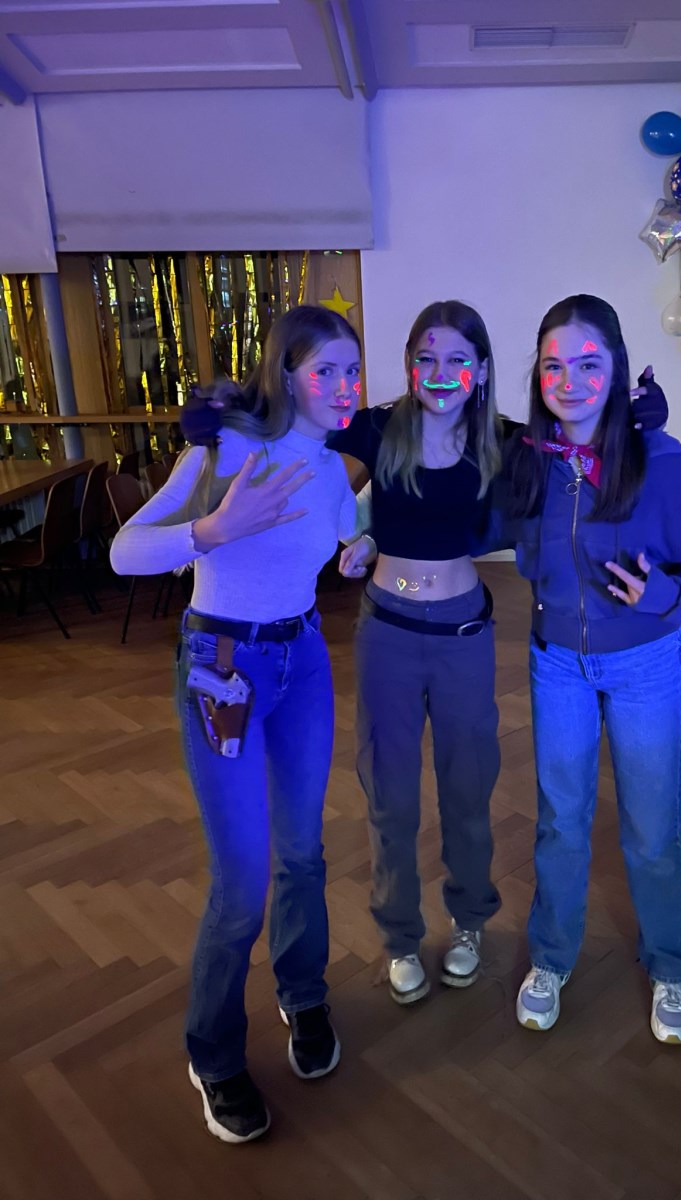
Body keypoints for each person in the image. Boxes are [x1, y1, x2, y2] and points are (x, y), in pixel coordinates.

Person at [334, 300, 668, 1007]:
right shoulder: (381, 429)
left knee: (466, 791)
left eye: (457, 358)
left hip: (462, 635)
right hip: (387, 632)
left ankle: (469, 922)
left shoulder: (509, 443)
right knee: (389, 796)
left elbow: (586, 438)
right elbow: (302, 430)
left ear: (482, 368)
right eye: (426, 358)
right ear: (409, 365)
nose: (440, 372)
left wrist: (639, 419)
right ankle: (400, 938)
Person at [110, 305, 367, 1144]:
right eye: (326, 370)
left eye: (352, 371)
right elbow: (123, 552)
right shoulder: (222, 451)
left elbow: (346, 531)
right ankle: (214, 1054)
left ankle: (304, 996)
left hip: (303, 661)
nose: (344, 386)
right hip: (222, 667)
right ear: (285, 374)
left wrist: (361, 547)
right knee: (242, 881)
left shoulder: (329, 468)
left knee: (304, 853)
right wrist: (213, 529)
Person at [499, 294, 681, 1042]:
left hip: (645, 664)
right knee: (561, 820)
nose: (570, 381)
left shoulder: (663, 465)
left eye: (589, 364)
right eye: (554, 366)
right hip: (557, 664)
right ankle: (551, 957)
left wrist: (670, 596)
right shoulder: (531, 461)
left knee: (652, 825)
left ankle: (670, 967)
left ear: (617, 370)